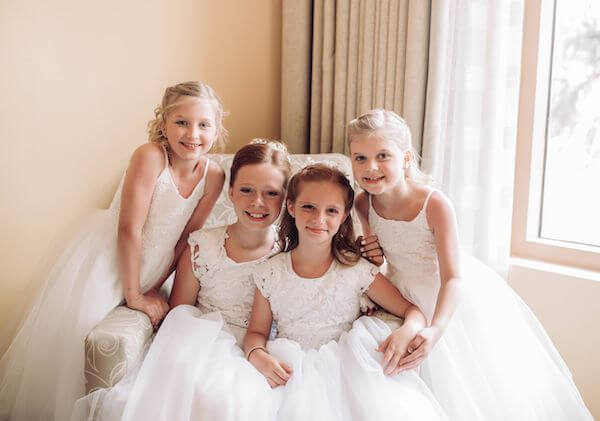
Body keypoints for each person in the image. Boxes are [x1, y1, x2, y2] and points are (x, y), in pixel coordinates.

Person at [0, 81, 226, 421]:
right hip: (109, 259)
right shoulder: (150, 156)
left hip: (156, 265)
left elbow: (188, 237)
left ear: (217, 128)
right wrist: (134, 294)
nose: (192, 134)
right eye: (181, 122)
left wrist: (157, 282)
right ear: (163, 123)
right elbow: (129, 229)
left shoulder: (214, 175)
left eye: (204, 124)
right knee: (73, 346)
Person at [347, 109, 593, 420]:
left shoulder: (434, 204)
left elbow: (453, 278)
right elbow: (379, 262)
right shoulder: (362, 202)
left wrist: (436, 328)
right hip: (401, 296)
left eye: (383, 155)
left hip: (444, 297)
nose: (371, 168)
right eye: (360, 158)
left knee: (467, 388)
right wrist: (373, 255)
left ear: (406, 158)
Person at [71, 139, 291, 421]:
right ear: (231, 191)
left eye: (271, 193)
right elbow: (179, 314)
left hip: (263, 349)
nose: (257, 202)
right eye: (246, 190)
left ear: (285, 199)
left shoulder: (290, 252)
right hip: (204, 345)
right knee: (209, 398)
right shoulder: (201, 246)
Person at [244, 164, 448, 421]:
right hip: (290, 371)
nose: (319, 219)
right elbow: (255, 333)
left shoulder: (356, 270)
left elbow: (412, 311)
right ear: (291, 206)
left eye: (331, 211)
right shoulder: (270, 272)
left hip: (347, 371)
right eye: (309, 207)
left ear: (343, 216)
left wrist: (407, 330)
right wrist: (258, 355)